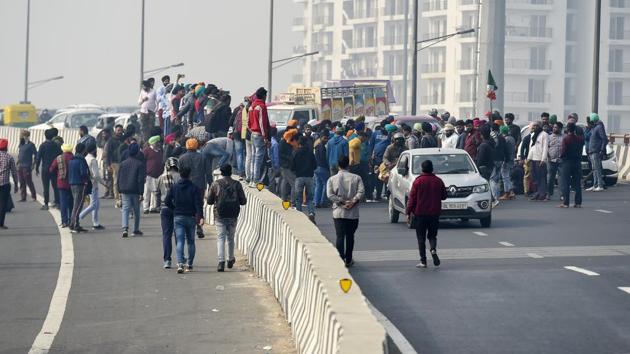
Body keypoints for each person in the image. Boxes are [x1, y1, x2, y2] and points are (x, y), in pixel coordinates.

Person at [406, 160, 447, 268]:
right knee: (432, 236)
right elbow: (444, 196)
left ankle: (423, 261)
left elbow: (412, 199)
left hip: (420, 214)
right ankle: (433, 249)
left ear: (422, 169)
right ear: (432, 168)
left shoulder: (418, 181)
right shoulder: (438, 181)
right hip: (434, 214)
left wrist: (408, 212)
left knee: (421, 238)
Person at [207, 164, 247, 272]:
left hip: (219, 215)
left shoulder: (216, 184)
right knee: (230, 238)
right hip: (233, 215)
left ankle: (221, 262)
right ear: (231, 172)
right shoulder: (237, 184)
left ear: (221, 172)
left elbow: (209, 201)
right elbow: (243, 202)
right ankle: (230, 259)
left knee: (221, 238)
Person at [326, 156, 365, 268]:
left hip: (338, 212)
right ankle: (348, 259)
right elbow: (361, 192)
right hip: (352, 213)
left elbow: (330, 195)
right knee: (350, 236)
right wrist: (352, 201)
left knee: (339, 236)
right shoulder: (356, 178)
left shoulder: (332, 179)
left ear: (338, 166)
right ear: (348, 165)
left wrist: (341, 202)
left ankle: (340, 259)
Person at [165, 166, 204, 274]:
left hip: (178, 217)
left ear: (180, 175)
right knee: (191, 241)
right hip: (191, 217)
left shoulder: (174, 187)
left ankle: (180, 264)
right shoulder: (194, 188)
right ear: (189, 175)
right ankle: (189, 265)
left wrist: (174, 208)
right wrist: (200, 217)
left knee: (180, 241)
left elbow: (167, 201)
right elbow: (198, 204)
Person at [178, 138, 209, 238]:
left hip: (186, 186)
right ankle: (199, 226)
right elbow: (208, 173)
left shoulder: (182, 158)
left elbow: (180, 174)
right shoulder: (203, 157)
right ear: (197, 146)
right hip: (199, 186)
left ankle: (188, 227)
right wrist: (211, 184)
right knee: (198, 206)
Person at [117, 142, 146, 238]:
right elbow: (140, 180)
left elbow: (119, 177)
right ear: (137, 152)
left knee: (125, 209)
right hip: (135, 190)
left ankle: (125, 228)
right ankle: (135, 229)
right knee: (136, 210)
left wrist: (119, 190)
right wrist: (141, 193)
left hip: (124, 189)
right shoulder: (140, 164)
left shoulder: (123, 163)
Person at [157, 157, 180, 269]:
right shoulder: (180, 177)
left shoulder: (161, 178)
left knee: (166, 235)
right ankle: (181, 258)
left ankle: (167, 260)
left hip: (164, 208)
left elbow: (156, 192)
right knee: (178, 235)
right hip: (177, 209)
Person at [248, 87, 271, 187]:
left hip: (253, 134)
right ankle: (256, 180)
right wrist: (265, 137)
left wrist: (252, 130)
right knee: (258, 159)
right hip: (259, 135)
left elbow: (248, 123)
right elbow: (262, 123)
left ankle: (252, 179)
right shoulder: (261, 106)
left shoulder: (251, 107)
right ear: (264, 96)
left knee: (253, 157)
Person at [79, 144, 105, 230]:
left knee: (96, 204)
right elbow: (96, 175)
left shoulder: (85, 158)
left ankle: (96, 223)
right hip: (93, 183)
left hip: (87, 182)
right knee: (94, 204)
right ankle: (78, 217)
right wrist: (104, 183)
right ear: (94, 150)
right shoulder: (93, 160)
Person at [292, 136, 317, 223]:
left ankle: (300, 216)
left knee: (298, 199)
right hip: (309, 177)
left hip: (299, 177)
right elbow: (315, 165)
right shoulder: (310, 152)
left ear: (299, 144)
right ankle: (311, 213)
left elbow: (292, 166)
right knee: (310, 198)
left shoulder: (296, 152)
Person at [35, 129, 62, 210]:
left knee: (46, 187)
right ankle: (58, 203)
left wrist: (36, 168)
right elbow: (60, 155)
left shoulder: (42, 146)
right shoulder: (56, 145)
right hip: (54, 169)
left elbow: (38, 158)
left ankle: (46, 204)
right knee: (56, 187)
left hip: (45, 169)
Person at [49, 144, 75, 228]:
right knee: (71, 202)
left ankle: (64, 221)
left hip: (62, 182)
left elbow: (51, 169)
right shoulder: (73, 158)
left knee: (63, 203)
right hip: (72, 183)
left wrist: (58, 173)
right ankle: (72, 220)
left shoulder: (59, 158)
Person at [559, 123, 583, 208]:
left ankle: (566, 203)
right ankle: (578, 202)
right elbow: (580, 150)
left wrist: (561, 157)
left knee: (566, 182)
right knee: (577, 183)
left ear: (567, 129)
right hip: (577, 162)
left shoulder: (566, 139)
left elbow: (563, 151)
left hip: (567, 162)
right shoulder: (579, 139)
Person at [68, 143, 91, 233]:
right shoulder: (81, 160)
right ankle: (73, 224)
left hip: (72, 183)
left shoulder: (71, 160)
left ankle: (76, 223)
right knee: (78, 206)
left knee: (76, 204)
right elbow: (83, 173)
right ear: (83, 150)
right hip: (80, 184)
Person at [527, 122, 549, 201]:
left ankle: (542, 194)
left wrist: (543, 159)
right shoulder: (533, 135)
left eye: (536, 125)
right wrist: (529, 158)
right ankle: (537, 193)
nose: (535, 127)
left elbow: (545, 147)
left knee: (542, 177)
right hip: (533, 158)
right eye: (534, 126)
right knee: (534, 177)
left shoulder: (544, 134)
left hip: (540, 159)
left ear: (540, 126)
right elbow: (531, 147)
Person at [0, 139, 18, 229]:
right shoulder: (9, 157)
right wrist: (16, 184)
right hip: (4, 184)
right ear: (6, 147)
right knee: (2, 204)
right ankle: (1, 223)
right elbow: (14, 172)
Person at [586, 113, 607, 192]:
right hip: (592, 151)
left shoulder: (599, 127)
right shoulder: (594, 127)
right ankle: (595, 185)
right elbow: (587, 137)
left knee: (597, 169)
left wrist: (601, 150)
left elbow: (604, 139)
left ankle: (600, 185)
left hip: (596, 151)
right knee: (594, 169)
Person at [143, 135, 164, 213]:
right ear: (152, 143)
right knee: (147, 192)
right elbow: (143, 161)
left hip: (158, 174)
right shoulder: (146, 150)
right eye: (156, 142)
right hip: (148, 174)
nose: (158, 143)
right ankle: (145, 207)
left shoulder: (159, 151)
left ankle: (152, 207)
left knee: (155, 191)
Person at [105, 124, 125, 206]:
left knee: (122, 181)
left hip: (123, 162)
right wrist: (108, 165)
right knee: (116, 181)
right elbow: (108, 153)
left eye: (121, 130)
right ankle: (117, 197)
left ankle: (122, 196)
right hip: (115, 163)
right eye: (118, 130)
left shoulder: (124, 139)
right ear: (115, 131)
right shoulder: (111, 140)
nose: (119, 132)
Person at [17, 130, 37, 202]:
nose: (20, 136)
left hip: (27, 166)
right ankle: (23, 197)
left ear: (26, 136)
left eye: (22, 135)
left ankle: (33, 196)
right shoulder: (21, 144)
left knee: (28, 181)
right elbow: (20, 154)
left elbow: (36, 155)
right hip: (20, 166)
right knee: (21, 182)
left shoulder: (31, 145)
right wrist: (18, 162)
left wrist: (33, 164)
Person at [498, 125, 516, 200]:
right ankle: (511, 192)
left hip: (506, 160)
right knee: (508, 176)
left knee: (505, 177)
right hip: (512, 159)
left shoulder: (505, 139)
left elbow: (504, 151)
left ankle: (507, 193)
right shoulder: (512, 138)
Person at [547, 122, 564, 199]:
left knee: (561, 179)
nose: (554, 129)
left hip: (561, 160)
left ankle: (562, 195)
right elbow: (546, 148)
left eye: (556, 127)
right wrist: (548, 157)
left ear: (560, 128)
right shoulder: (549, 137)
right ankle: (549, 194)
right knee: (550, 178)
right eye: (553, 127)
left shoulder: (564, 137)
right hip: (551, 160)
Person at [314, 130, 330, 208]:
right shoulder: (321, 147)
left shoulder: (317, 146)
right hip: (322, 168)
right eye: (325, 138)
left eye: (327, 138)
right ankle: (323, 201)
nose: (326, 140)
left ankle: (316, 202)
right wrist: (328, 166)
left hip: (316, 168)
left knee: (318, 185)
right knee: (326, 185)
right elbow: (323, 159)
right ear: (321, 138)